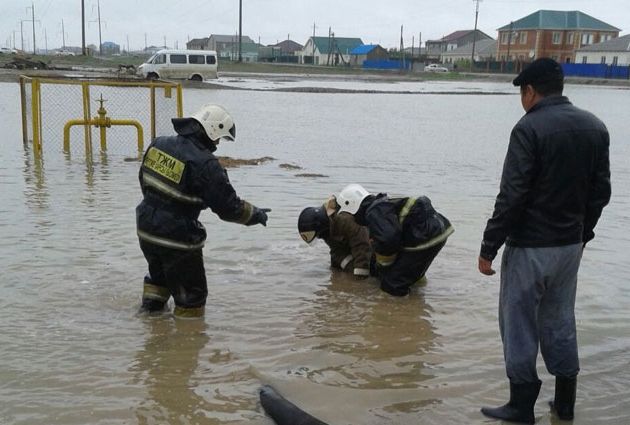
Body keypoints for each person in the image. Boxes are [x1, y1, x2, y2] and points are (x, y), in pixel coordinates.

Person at [478, 58, 611, 424]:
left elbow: (512, 196)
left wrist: (489, 247)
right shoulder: (595, 126)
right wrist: (582, 235)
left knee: (518, 323)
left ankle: (521, 407)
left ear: (530, 91)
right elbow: (601, 192)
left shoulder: (528, 128)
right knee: (560, 320)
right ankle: (564, 404)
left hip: (531, 247)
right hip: (569, 248)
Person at [136, 104, 271, 319]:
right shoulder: (206, 164)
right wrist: (255, 215)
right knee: (192, 297)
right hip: (178, 238)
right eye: (218, 138)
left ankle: (149, 322)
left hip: (146, 229)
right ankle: (187, 343)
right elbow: (228, 208)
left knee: (159, 278)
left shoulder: (158, 143)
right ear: (211, 130)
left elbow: (145, 180)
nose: (217, 144)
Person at [337, 184, 454, 296]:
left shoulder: (372, 212)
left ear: (351, 206)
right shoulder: (380, 204)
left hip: (425, 236)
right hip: (437, 229)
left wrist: (383, 264)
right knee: (406, 272)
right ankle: (418, 296)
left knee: (392, 285)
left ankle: (399, 311)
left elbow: (388, 240)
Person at [298, 196, 372, 279]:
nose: (319, 237)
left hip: (369, 244)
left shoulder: (344, 221)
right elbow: (336, 250)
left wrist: (360, 276)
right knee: (338, 258)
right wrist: (334, 272)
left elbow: (361, 245)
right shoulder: (327, 231)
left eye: (318, 235)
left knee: (366, 264)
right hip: (354, 246)